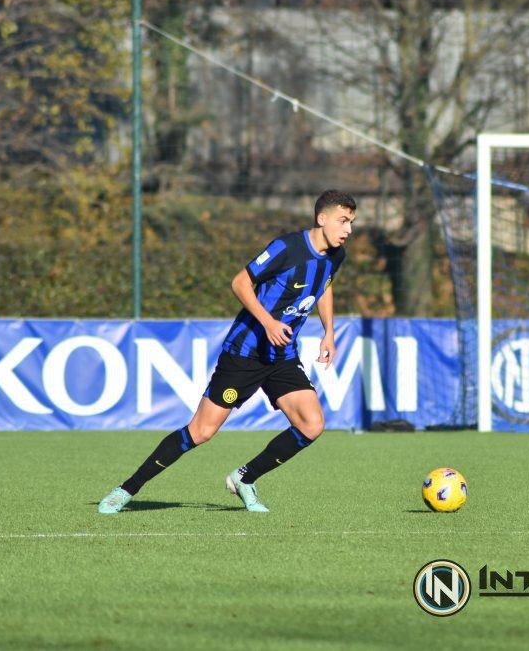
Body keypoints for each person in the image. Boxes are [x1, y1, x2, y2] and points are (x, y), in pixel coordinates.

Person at [97, 189, 357, 514]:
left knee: (312, 424)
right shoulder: (286, 248)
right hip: (245, 354)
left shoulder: (336, 256)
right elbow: (239, 283)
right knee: (201, 432)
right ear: (322, 218)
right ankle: (126, 489)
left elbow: (324, 287)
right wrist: (268, 322)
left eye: (351, 222)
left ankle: (244, 478)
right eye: (343, 221)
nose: (348, 229)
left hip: (281, 357)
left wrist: (329, 332)